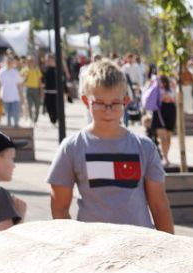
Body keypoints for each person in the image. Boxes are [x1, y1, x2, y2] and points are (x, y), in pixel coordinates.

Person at [47, 59, 173, 233]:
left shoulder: (145, 147)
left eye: (115, 103)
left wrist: (168, 250)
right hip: (93, 249)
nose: (108, 110)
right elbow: (59, 208)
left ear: (126, 101)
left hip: (140, 248)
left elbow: (159, 206)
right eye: (99, 103)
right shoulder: (72, 147)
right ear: (86, 101)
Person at [145, 74, 177, 167]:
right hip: (159, 111)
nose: (161, 83)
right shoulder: (154, 88)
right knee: (163, 137)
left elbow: (173, 97)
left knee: (168, 137)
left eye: (163, 81)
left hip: (170, 110)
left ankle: (166, 155)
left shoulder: (171, 87)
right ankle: (165, 157)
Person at [0, 56, 24, 128]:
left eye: (10, 62)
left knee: (15, 112)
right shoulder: (1, 72)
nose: (9, 63)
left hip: (15, 96)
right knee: (7, 113)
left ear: (13, 62)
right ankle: (9, 126)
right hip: (5, 96)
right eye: (8, 61)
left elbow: (19, 85)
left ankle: (16, 125)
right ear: (5, 62)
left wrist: (21, 95)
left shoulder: (15, 72)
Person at [23, 55, 43, 125]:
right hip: (28, 89)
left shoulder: (37, 70)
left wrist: (41, 91)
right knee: (29, 105)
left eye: (32, 61)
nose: (30, 62)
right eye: (29, 61)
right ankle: (31, 119)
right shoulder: (25, 69)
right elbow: (22, 80)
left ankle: (35, 120)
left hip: (36, 89)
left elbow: (40, 81)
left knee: (37, 106)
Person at [42, 54, 61, 125]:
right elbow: (42, 80)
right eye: (47, 60)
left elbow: (62, 81)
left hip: (56, 92)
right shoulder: (45, 69)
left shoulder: (57, 69)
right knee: (48, 106)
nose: (48, 61)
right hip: (47, 91)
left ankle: (55, 118)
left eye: (50, 60)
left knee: (55, 107)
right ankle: (52, 118)